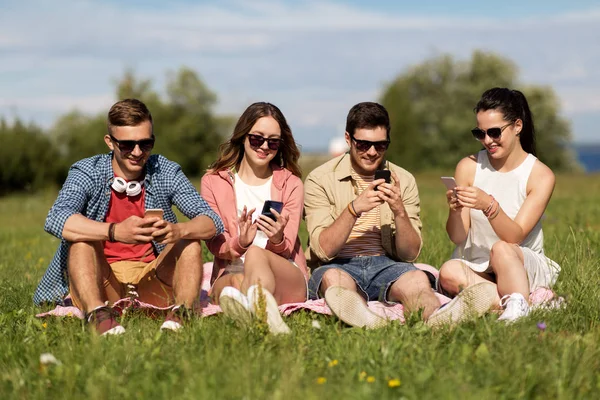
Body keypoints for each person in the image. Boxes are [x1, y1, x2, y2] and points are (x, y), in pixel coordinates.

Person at [33, 99, 224, 335]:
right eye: (127, 145)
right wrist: (114, 231)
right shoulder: (87, 171)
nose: (137, 152)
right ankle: (98, 315)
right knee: (81, 240)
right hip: (103, 281)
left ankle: (182, 316)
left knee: (190, 241)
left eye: (146, 143)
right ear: (110, 142)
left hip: (151, 280)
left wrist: (178, 231)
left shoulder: (164, 170)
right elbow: (56, 218)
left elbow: (211, 221)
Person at [304, 102, 497, 329]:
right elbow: (323, 250)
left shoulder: (403, 179)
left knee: (417, 280)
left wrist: (399, 211)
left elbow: (409, 254)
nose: (372, 152)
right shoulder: (320, 179)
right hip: (337, 264)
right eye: (364, 145)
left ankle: (439, 318)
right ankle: (364, 317)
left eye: (381, 145)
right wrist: (354, 209)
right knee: (335, 282)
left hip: (386, 263)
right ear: (348, 139)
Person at [438, 88, 561, 322]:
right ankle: (525, 302)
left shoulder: (540, 175)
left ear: (517, 126)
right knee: (448, 271)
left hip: (520, 263)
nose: (487, 141)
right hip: (479, 265)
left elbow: (514, 236)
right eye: (480, 133)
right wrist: (455, 210)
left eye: (494, 132)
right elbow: (458, 237)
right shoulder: (468, 166)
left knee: (501, 249)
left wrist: (488, 204)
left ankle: (510, 299)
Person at [201, 102, 309, 334]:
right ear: (242, 136)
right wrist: (240, 243)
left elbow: (288, 248)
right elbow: (213, 241)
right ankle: (261, 316)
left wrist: (277, 239)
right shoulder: (213, 182)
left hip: (284, 272)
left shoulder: (291, 183)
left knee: (257, 255)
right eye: (257, 139)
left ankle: (257, 313)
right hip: (233, 269)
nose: (264, 147)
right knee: (230, 286)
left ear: (280, 145)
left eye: (273, 141)